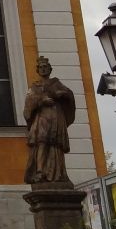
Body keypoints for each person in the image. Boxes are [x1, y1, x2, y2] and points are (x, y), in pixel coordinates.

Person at [24, 56, 76, 185]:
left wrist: (63, 94)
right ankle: (40, 171)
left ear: (50, 69)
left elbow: (69, 94)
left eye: (45, 67)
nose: (43, 69)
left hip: (55, 116)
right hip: (42, 117)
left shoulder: (56, 83)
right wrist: (41, 101)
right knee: (41, 142)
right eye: (41, 67)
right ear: (38, 70)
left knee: (55, 144)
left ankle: (57, 173)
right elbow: (29, 103)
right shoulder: (35, 87)